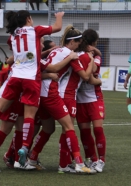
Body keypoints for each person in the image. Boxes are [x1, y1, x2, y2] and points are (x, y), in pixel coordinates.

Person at [0, 10, 65, 169]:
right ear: (29, 19)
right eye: (41, 40)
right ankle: (15, 150)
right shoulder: (35, 32)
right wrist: (59, 16)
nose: (40, 41)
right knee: (14, 123)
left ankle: (9, 152)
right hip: (27, 82)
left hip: (15, 81)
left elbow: (14, 57)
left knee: (17, 124)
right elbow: (56, 29)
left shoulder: (13, 36)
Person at [28, 25, 95, 174]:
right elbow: (85, 76)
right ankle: (76, 163)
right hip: (52, 92)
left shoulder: (58, 50)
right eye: (78, 43)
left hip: (41, 91)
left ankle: (32, 158)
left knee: (48, 128)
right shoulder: (70, 54)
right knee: (69, 127)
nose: (78, 46)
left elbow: (43, 66)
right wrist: (91, 61)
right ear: (73, 42)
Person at [76, 29, 106, 173]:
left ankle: (101, 161)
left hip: (94, 97)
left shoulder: (93, 56)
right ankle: (92, 159)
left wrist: (94, 55)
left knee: (97, 129)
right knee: (85, 131)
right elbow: (91, 77)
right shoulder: (78, 55)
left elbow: (93, 70)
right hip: (80, 98)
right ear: (94, 42)